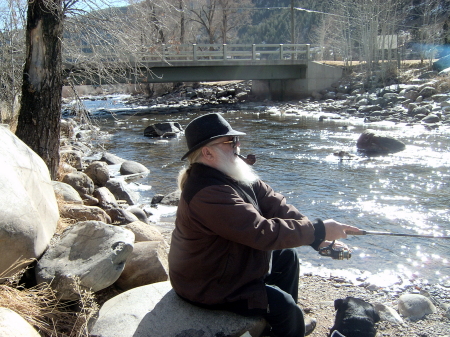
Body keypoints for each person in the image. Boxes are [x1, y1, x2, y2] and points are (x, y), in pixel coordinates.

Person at [168, 113, 361, 337]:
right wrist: (319, 228)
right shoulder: (207, 192)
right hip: (207, 283)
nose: (238, 145)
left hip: (224, 262)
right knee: (286, 308)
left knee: (287, 257)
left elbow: (275, 203)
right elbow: (262, 233)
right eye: (230, 142)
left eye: (236, 140)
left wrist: (318, 239)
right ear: (207, 152)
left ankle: (282, 328)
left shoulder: (228, 172)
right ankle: (288, 323)